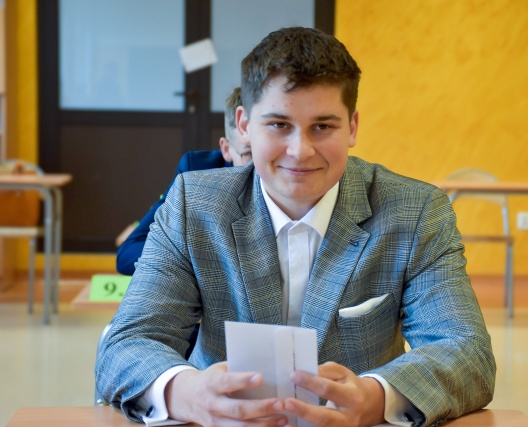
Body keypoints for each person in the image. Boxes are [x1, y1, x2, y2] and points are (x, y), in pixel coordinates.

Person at [96, 27, 496, 427]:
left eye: (323, 126)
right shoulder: (193, 205)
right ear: (244, 125)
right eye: (278, 125)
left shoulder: (416, 211)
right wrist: (189, 394)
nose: (300, 151)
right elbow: (127, 343)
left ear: (352, 127)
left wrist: (374, 398)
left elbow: (466, 352)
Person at [115, 87, 251, 275]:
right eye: (249, 154)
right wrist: (204, 257)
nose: (260, 166)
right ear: (226, 149)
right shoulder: (197, 171)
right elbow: (129, 253)